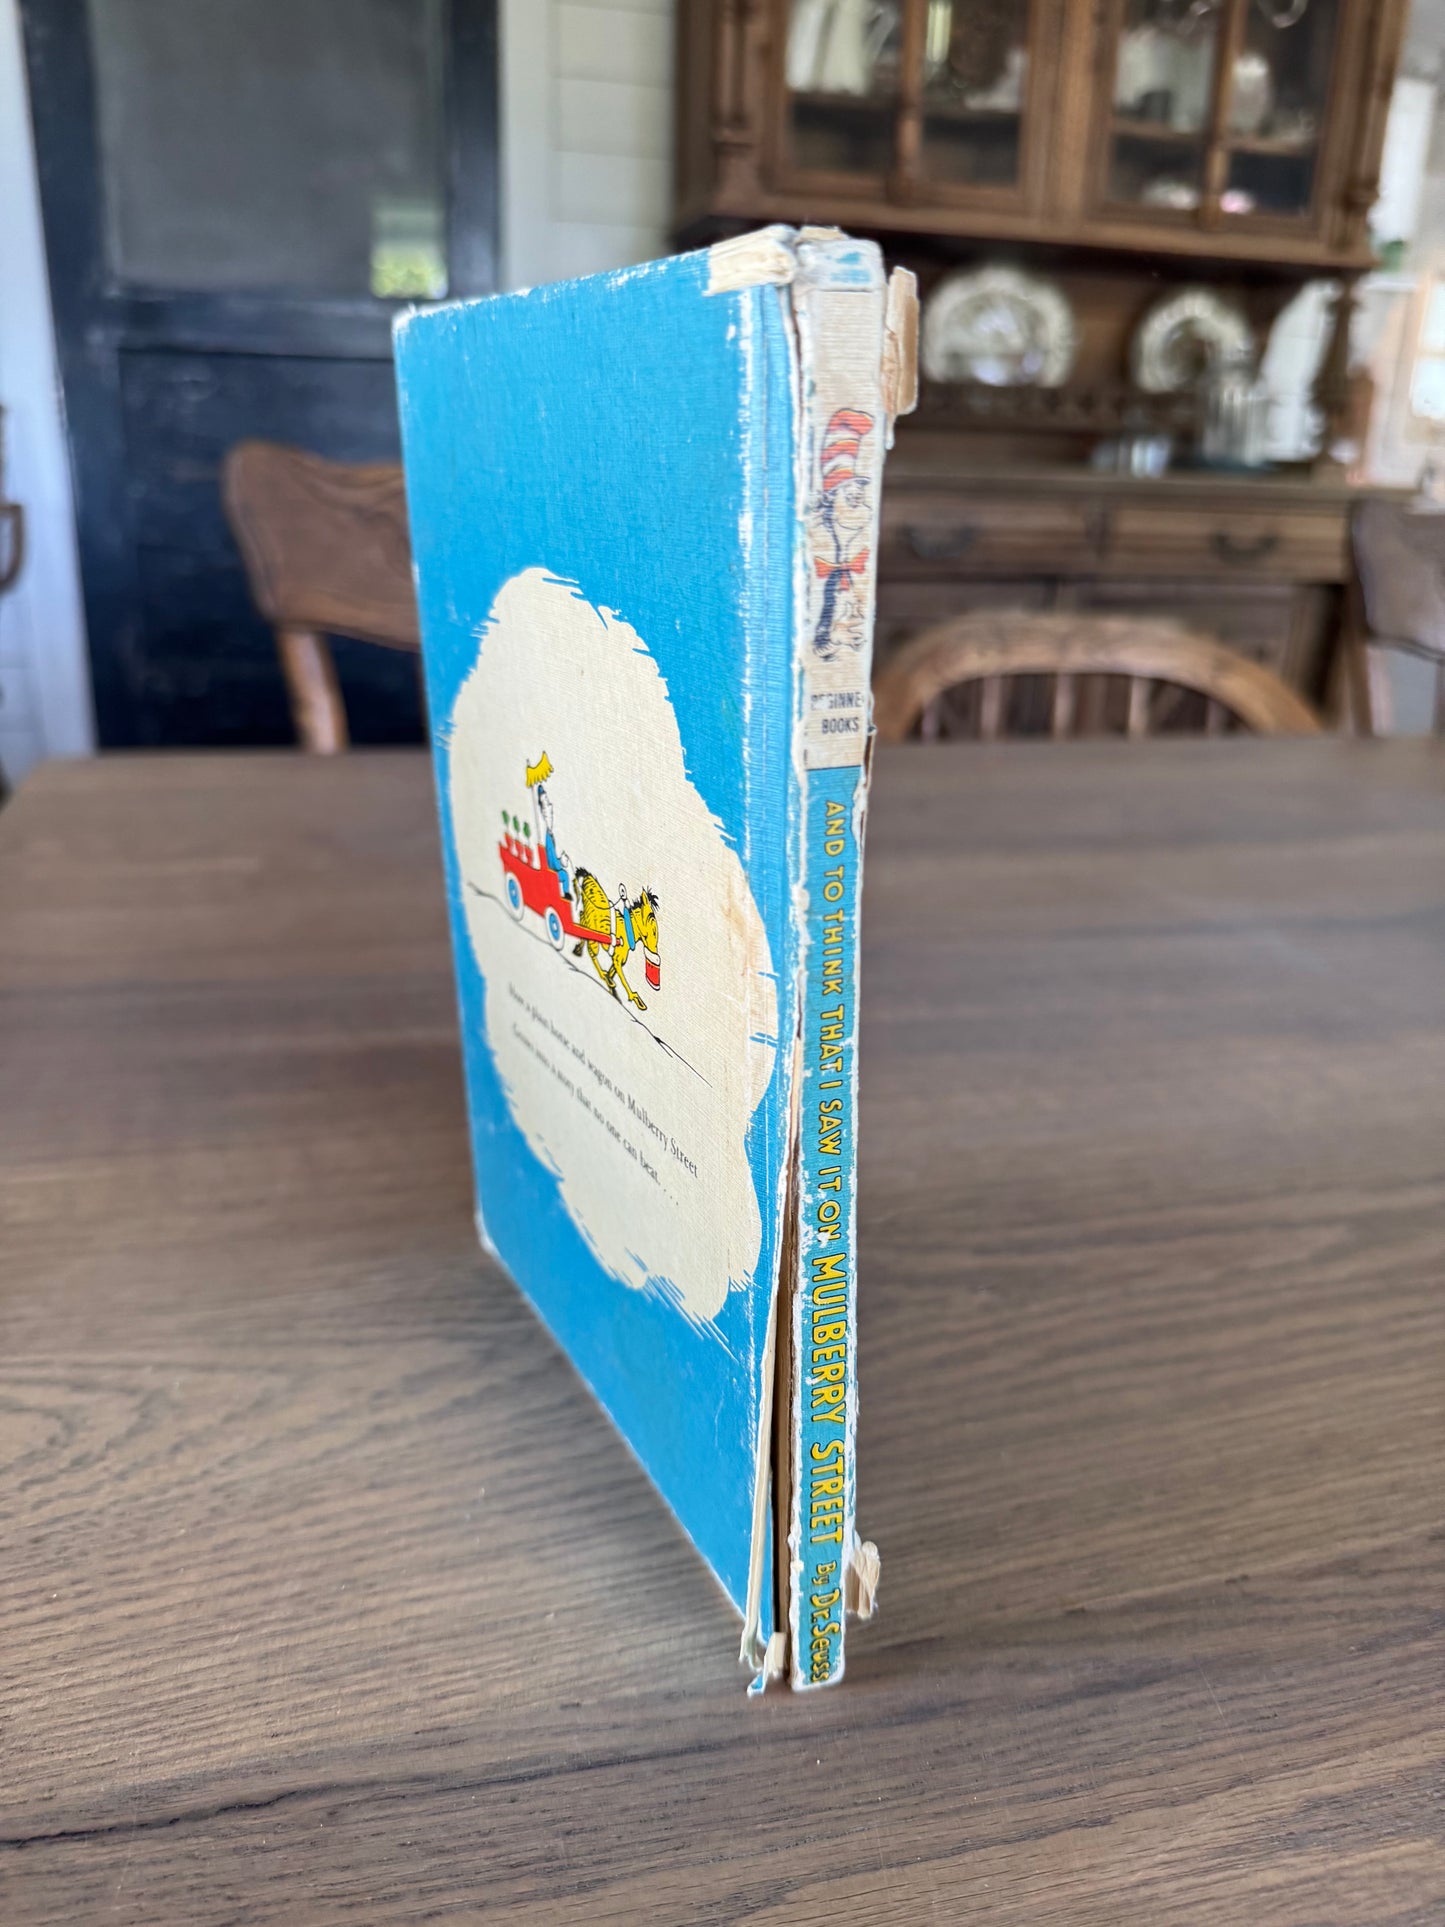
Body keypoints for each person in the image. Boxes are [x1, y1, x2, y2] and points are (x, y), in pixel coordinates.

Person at [535, 783, 572, 899]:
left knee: (564, 874)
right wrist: (561, 862)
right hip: (550, 870)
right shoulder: (546, 836)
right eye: (546, 802)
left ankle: (566, 893)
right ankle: (565, 893)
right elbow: (551, 860)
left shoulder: (549, 835)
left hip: (552, 866)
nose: (550, 806)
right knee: (564, 875)